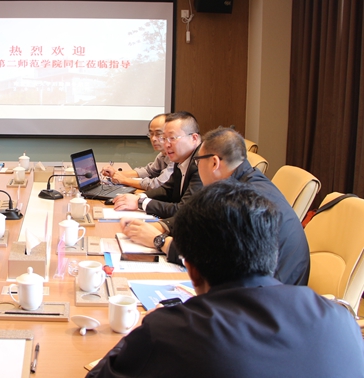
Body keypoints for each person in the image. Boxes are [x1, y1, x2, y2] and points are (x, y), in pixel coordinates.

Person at [87, 181, 364, 378]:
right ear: (272, 250)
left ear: (190, 267)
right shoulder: (341, 320)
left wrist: (142, 332)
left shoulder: (169, 332)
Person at [123, 127, 310, 286]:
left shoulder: (242, 200)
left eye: (198, 161)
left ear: (214, 162)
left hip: (267, 298)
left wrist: (159, 241)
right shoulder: (246, 182)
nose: (197, 167)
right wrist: (164, 229)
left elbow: (214, 259)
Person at [113, 111, 203, 218]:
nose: (166, 144)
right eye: (164, 138)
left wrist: (140, 202)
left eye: (172, 138)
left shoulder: (201, 164)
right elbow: (167, 189)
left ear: (194, 138)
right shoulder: (181, 158)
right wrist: (139, 197)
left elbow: (184, 211)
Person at [101, 113, 173, 191]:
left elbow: (157, 184)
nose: (153, 139)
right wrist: (115, 173)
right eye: (151, 134)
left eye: (158, 134)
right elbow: (149, 171)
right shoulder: (163, 154)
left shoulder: (176, 158)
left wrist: (124, 180)